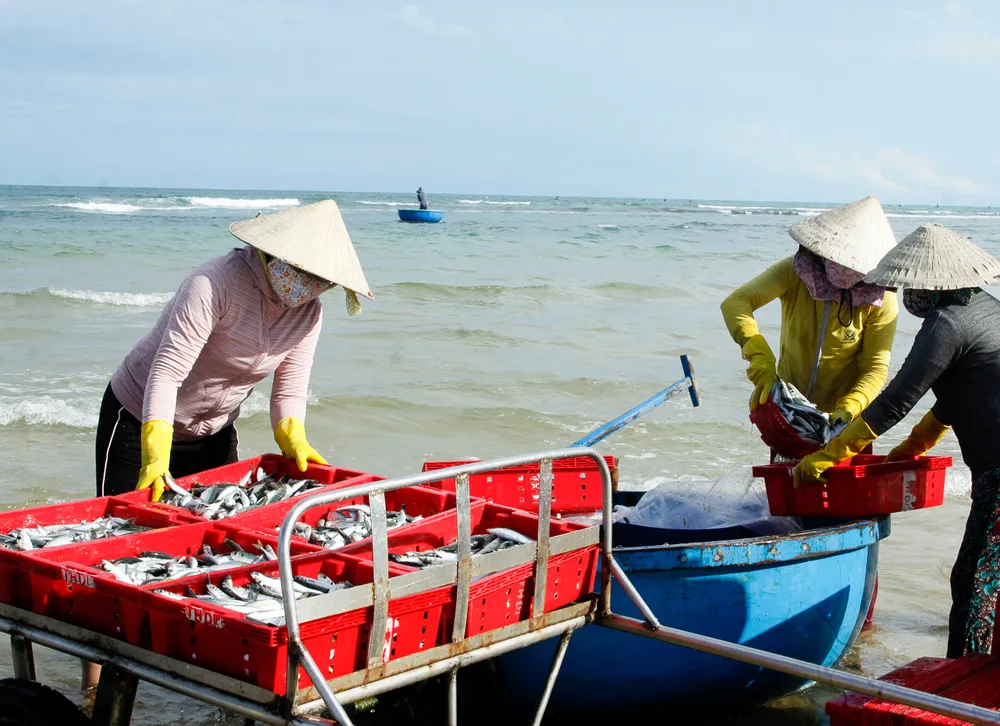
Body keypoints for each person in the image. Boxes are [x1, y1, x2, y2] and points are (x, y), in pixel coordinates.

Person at [794, 223, 1000, 657]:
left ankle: (961, 684)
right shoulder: (989, 310)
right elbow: (965, 396)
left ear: (931, 285)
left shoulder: (947, 323)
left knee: (973, 582)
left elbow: (895, 400)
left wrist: (831, 454)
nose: (908, 297)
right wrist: (911, 451)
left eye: (912, 287)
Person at [95, 199, 373, 502]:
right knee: (124, 526)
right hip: (138, 420)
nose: (310, 285)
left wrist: (294, 439)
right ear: (276, 254)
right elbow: (167, 373)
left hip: (215, 431)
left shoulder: (308, 314)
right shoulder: (213, 283)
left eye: (322, 280)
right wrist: (155, 455)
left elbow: (289, 392)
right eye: (304, 272)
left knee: (209, 532)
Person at [720, 197, 899, 442]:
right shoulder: (795, 272)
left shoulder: (880, 299)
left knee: (844, 479)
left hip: (847, 421)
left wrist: (853, 403)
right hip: (788, 409)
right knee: (789, 478)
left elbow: (876, 367)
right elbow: (737, 303)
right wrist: (760, 359)